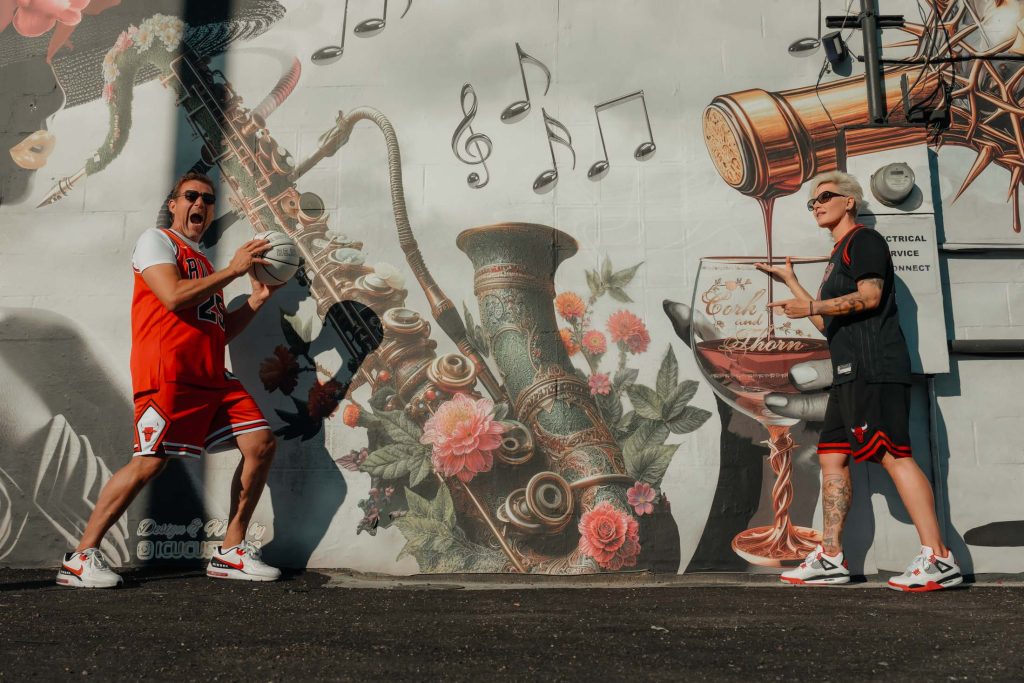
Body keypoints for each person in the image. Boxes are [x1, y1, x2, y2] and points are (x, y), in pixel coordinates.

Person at [57, 171, 283, 587]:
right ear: (174, 204)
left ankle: (231, 551)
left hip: (213, 376)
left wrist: (255, 299)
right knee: (149, 463)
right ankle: (81, 556)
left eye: (208, 199)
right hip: (170, 375)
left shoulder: (205, 262)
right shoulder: (156, 241)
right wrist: (234, 272)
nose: (200, 203)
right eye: (191, 196)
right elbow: (173, 295)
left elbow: (219, 330)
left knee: (261, 444)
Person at [759, 170, 962, 592]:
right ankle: (831, 557)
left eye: (824, 197)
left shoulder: (864, 242)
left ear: (849, 201)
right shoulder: (837, 256)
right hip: (846, 374)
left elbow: (870, 297)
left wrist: (813, 301)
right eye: (811, 202)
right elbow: (823, 323)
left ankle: (940, 558)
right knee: (832, 457)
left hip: (875, 367)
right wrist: (794, 285)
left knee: (893, 453)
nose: (816, 205)